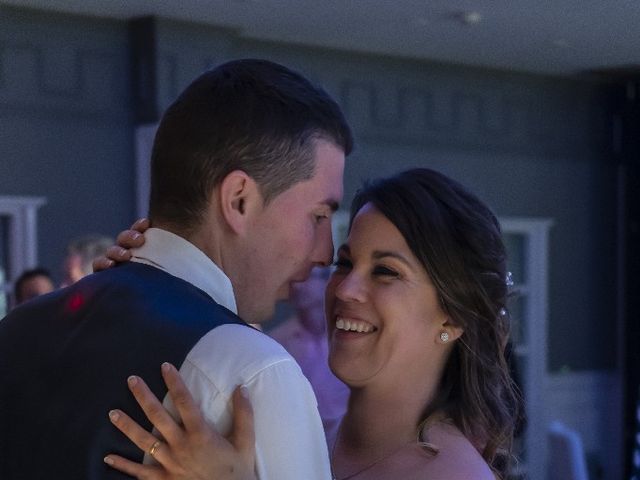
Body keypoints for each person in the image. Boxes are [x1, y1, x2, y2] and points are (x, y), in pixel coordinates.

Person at [0, 59, 352, 480]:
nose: (326, 252)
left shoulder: (17, 329)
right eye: (318, 216)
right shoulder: (254, 371)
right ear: (239, 200)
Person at [99, 168, 520, 479]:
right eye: (345, 263)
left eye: (386, 272)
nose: (345, 289)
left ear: (455, 313)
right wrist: (140, 285)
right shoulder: (305, 435)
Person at [268, 266, 349, 432]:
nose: (298, 286)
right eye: (295, 279)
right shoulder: (275, 343)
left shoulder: (350, 338)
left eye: (307, 278)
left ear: (327, 282)